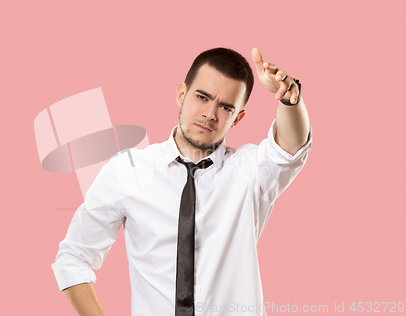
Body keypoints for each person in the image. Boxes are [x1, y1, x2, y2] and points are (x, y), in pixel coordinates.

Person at [52, 47, 312, 316]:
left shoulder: (250, 172)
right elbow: (73, 258)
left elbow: (290, 146)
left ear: (238, 119)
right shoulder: (127, 171)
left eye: (225, 107)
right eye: (202, 97)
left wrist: (290, 99)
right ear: (181, 94)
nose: (210, 114)